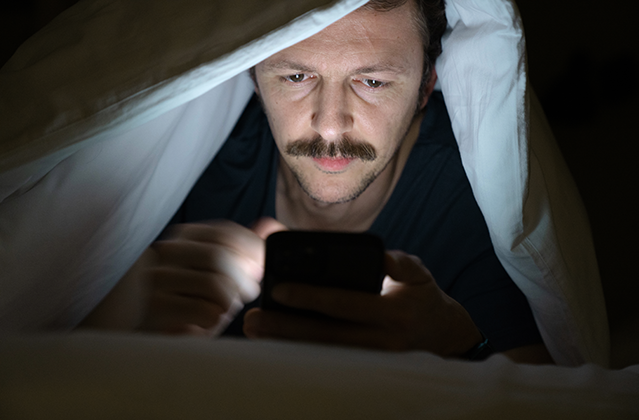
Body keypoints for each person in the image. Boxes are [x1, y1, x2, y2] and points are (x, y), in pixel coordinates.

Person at [80, 0, 554, 363]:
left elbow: (540, 391)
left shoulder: (477, 206)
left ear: (426, 86)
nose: (330, 126)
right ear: (251, 75)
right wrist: (133, 321)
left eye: (372, 83)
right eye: (297, 76)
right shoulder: (189, 165)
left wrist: (461, 347)